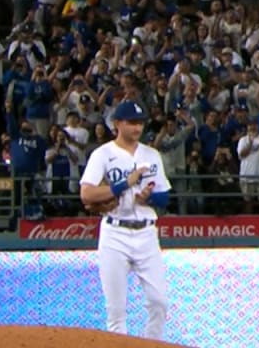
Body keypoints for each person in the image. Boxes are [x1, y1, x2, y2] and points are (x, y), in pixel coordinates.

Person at [79, 100, 171, 339]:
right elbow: (87, 193)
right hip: (115, 233)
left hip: (146, 233)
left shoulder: (151, 155)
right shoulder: (103, 154)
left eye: (140, 123)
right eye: (131, 122)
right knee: (116, 311)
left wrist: (150, 197)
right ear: (117, 124)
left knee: (159, 302)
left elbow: (165, 196)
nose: (137, 128)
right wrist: (123, 184)